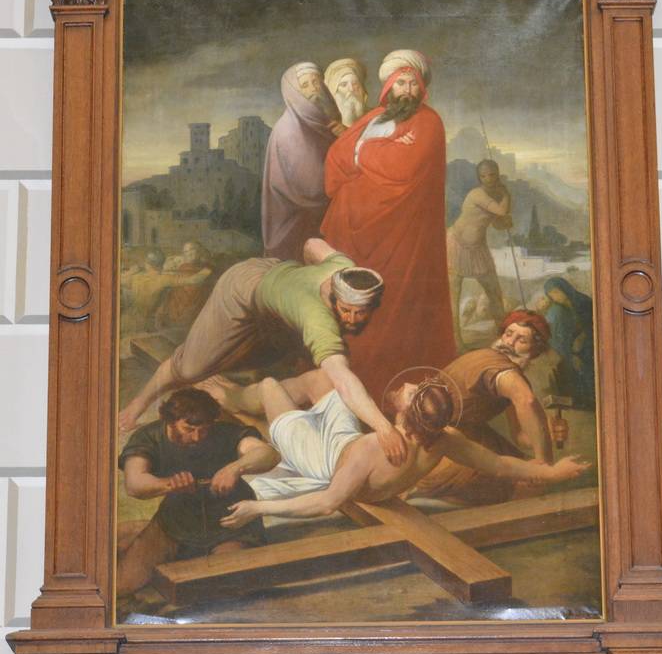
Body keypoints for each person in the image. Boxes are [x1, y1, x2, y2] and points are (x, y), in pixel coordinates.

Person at [117, 237, 406, 466]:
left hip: (274, 292)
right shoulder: (316, 318)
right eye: (345, 311)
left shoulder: (345, 268)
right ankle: (138, 403)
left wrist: (296, 280)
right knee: (191, 368)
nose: (352, 320)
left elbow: (312, 245)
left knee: (289, 363)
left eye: (361, 313)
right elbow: (342, 378)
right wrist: (383, 427)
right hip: (242, 289)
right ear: (333, 296)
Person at [217, 368, 586, 527]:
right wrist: (552, 472)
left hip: (321, 458)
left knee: (269, 386)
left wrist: (257, 507)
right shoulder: (444, 440)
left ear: (406, 413)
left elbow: (327, 502)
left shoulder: (370, 449)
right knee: (324, 378)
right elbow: (501, 465)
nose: (408, 385)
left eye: (413, 391)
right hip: (345, 444)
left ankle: (225, 395)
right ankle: (267, 398)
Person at [321, 48, 455, 401]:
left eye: (413, 83)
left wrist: (364, 152)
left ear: (421, 89)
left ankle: (394, 385)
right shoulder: (374, 117)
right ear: (389, 87)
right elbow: (336, 157)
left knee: (395, 304)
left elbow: (403, 166)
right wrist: (377, 149)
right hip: (353, 231)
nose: (407, 90)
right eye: (401, 83)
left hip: (402, 232)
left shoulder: (429, 122)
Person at [116, 387, 274, 596]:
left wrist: (235, 468)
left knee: (224, 584)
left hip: (231, 522)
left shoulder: (226, 432)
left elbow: (268, 454)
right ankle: (144, 532)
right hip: (176, 521)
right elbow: (134, 484)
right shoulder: (149, 436)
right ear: (170, 421)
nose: (198, 436)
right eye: (189, 429)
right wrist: (169, 484)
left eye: (204, 429)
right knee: (125, 583)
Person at [414, 309, 558, 504]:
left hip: (464, 437)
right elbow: (527, 401)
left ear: (534, 351)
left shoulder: (511, 375)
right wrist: (545, 463)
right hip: (439, 447)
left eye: (521, 340)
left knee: (524, 471)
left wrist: (546, 431)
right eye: (509, 333)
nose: (509, 342)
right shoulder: (494, 365)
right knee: (523, 480)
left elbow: (520, 435)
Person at [261, 62, 342, 261]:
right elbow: (313, 189)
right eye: (305, 85)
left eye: (317, 82)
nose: (314, 89)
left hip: (317, 219)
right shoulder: (289, 130)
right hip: (296, 224)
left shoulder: (320, 121)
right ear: (294, 93)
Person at [447, 159, 512, 345]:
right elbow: (501, 211)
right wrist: (506, 195)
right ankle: (457, 342)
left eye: (492, 175)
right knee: (454, 296)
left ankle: (503, 337)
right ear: (479, 178)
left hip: (478, 249)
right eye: (483, 176)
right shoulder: (477, 194)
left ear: (498, 175)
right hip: (456, 245)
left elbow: (498, 223)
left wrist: (506, 223)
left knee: (494, 292)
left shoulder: (497, 196)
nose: (488, 179)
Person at [539, 276, 595, 408]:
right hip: (574, 344)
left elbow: (593, 325)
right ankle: (580, 398)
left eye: (556, 292)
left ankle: (591, 398)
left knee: (585, 364)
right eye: (551, 294)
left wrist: (581, 338)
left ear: (565, 288)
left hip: (590, 342)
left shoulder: (583, 302)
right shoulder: (559, 308)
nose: (555, 296)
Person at [324, 57, 369, 127]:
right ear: (334, 92)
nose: (351, 89)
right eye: (343, 85)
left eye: (355, 83)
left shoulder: (375, 116)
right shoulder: (328, 122)